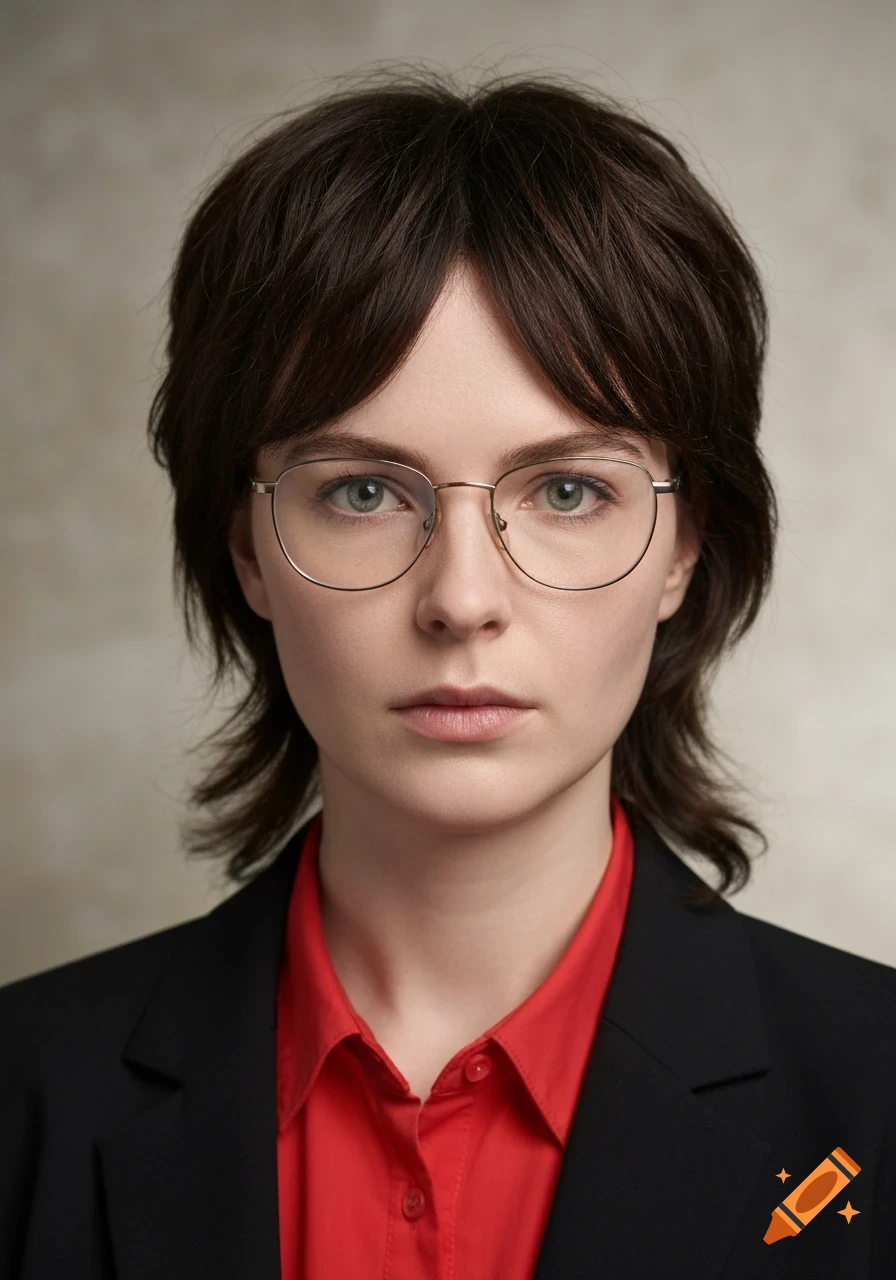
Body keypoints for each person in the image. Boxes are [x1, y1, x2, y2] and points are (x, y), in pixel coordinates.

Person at [1, 66, 894, 1280]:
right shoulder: (22, 1095)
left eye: (568, 489)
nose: (462, 599)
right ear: (245, 546)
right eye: (362, 491)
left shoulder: (877, 1089)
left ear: (686, 544)